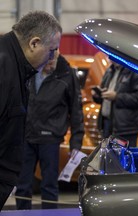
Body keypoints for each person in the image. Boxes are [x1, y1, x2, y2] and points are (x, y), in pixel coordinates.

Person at [0, 11, 62, 211]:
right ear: (34, 43)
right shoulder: (4, 67)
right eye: (51, 50)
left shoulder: (14, 64)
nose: (52, 58)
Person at [15, 49, 84, 209]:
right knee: (22, 185)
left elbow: (76, 111)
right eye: (47, 60)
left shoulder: (67, 74)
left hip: (50, 139)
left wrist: (76, 143)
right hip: (27, 136)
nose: (50, 63)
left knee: (49, 187)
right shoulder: (29, 71)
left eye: (53, 60)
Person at [92, 62, 138, 147]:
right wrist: (98, 95)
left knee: (123, 158)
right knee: (108, 158)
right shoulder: (110, 70)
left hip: (125, 128)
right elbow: (106, 95)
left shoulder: (136, 71)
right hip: (107, 124)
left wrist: (116, 97)